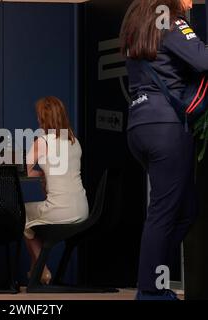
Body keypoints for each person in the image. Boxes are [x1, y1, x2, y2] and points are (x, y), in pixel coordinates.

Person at [120, 0, 206, 300]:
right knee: (165, 213)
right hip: (167, 126)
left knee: (184, 211)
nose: (191, 1)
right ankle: (151, 292)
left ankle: (155, 279)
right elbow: (204, 60)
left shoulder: (138, 26)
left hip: (140, 126)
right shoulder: (172, 22)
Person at [24, 96, 89, 285]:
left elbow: (24, 171)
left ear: (42, 119)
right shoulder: (75, 142)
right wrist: (47, 174)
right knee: (33, 222)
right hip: (82, 211)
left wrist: (41, 174)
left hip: (59, 212)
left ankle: (42, 269)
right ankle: (35, 270)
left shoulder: (42, 141)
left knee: (19, 212)